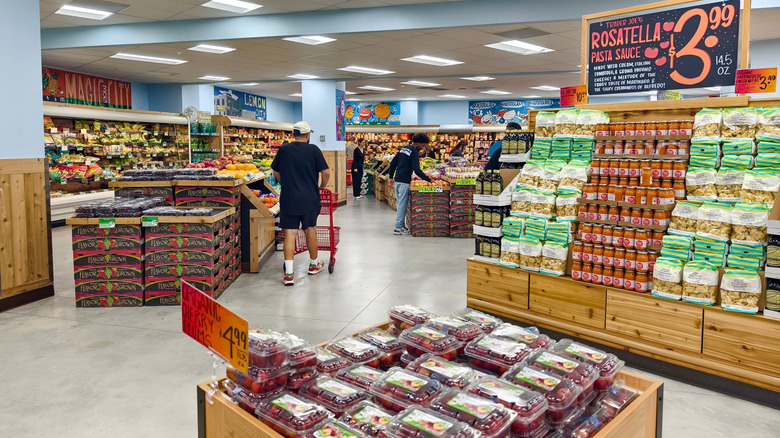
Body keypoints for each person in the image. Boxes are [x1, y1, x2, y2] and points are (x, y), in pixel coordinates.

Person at [271, 121, 331, 286]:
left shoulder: (284, 149)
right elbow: (326, 172)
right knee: (310, 229)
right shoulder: (313, 150)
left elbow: (275, 171)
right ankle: (313, 265)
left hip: (289, 197)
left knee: (290, 233)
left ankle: (289, 274)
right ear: (307, 135)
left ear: (292, 134)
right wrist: (322, 186)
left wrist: (285, 182)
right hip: (309, 197)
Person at [387, 133, 432, 235]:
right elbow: (417, 169)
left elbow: (393, 162)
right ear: (418, 143)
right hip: (404, 180)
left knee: (400, 203)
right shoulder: (414, 152)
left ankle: (401, 226)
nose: (423, 147)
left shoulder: (404, 149)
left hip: (398, 179)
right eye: (423, 145)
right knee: (402, 204)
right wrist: (428, 179)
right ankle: (398, 228)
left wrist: (390, 176)